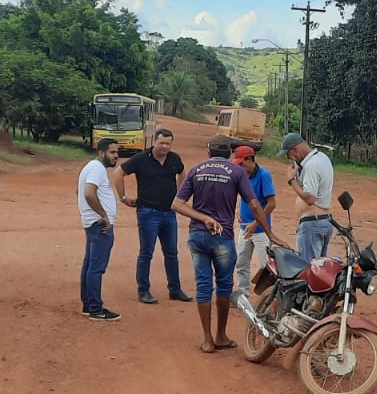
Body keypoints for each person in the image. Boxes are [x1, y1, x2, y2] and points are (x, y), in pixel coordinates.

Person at [173, 135, 285, 354]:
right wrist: (269, 232)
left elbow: (176, 204)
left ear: (208, 152)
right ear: (229, 154)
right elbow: (254, 203)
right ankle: (221, 336)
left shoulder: (196, 170)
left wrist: (202, 217)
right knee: (224, 286)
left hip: (197, 236)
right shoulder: (237, 172)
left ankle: (207, 340)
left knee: (203, 285)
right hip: (222, 236)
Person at [110, 128, 194, 305]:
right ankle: (143, 290)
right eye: (161, 142)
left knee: (171, 252)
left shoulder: (174, 159)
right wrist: (123, 198)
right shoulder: (141, 159)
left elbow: (182, 173)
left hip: (169, 213)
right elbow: (118, 173)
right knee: (146, 253)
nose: (164, 146)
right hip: (148, 212)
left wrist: (180, 195)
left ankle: (175, 289)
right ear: (154, 142)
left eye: (168, 143)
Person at [78, 139, 122, 321]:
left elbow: (81, 193)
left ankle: (89, 305)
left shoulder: (91, 167)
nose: (116, 156)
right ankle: (96, 308)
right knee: (96, 268)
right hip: (99, 226)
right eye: (112, 152)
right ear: (101, 153)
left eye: (117, 153)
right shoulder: (96, 168)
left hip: (93, 223)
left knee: (89, 265)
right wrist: (103, 215)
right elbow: (89, 193)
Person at [230, 144, 277, 301]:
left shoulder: (264, 175)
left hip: (261, 230)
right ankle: (243, 295)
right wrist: (239, 212)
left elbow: (271, 203)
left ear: (250, 160)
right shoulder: (242, 176)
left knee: (267, 267)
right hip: (245, 228)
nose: (240, 167)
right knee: (241, 263)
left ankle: (268, 298)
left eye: (241, 164)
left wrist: (256, 223)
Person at [281, 132, 336, 258]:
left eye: (288, 154)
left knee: (308, 271)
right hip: (322, 221)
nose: (289, 158)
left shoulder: (311, 165)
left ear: (294, 150)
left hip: (312, 224)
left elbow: (310, 198)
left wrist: (291, 180)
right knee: (318, 270)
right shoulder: (321, 158)